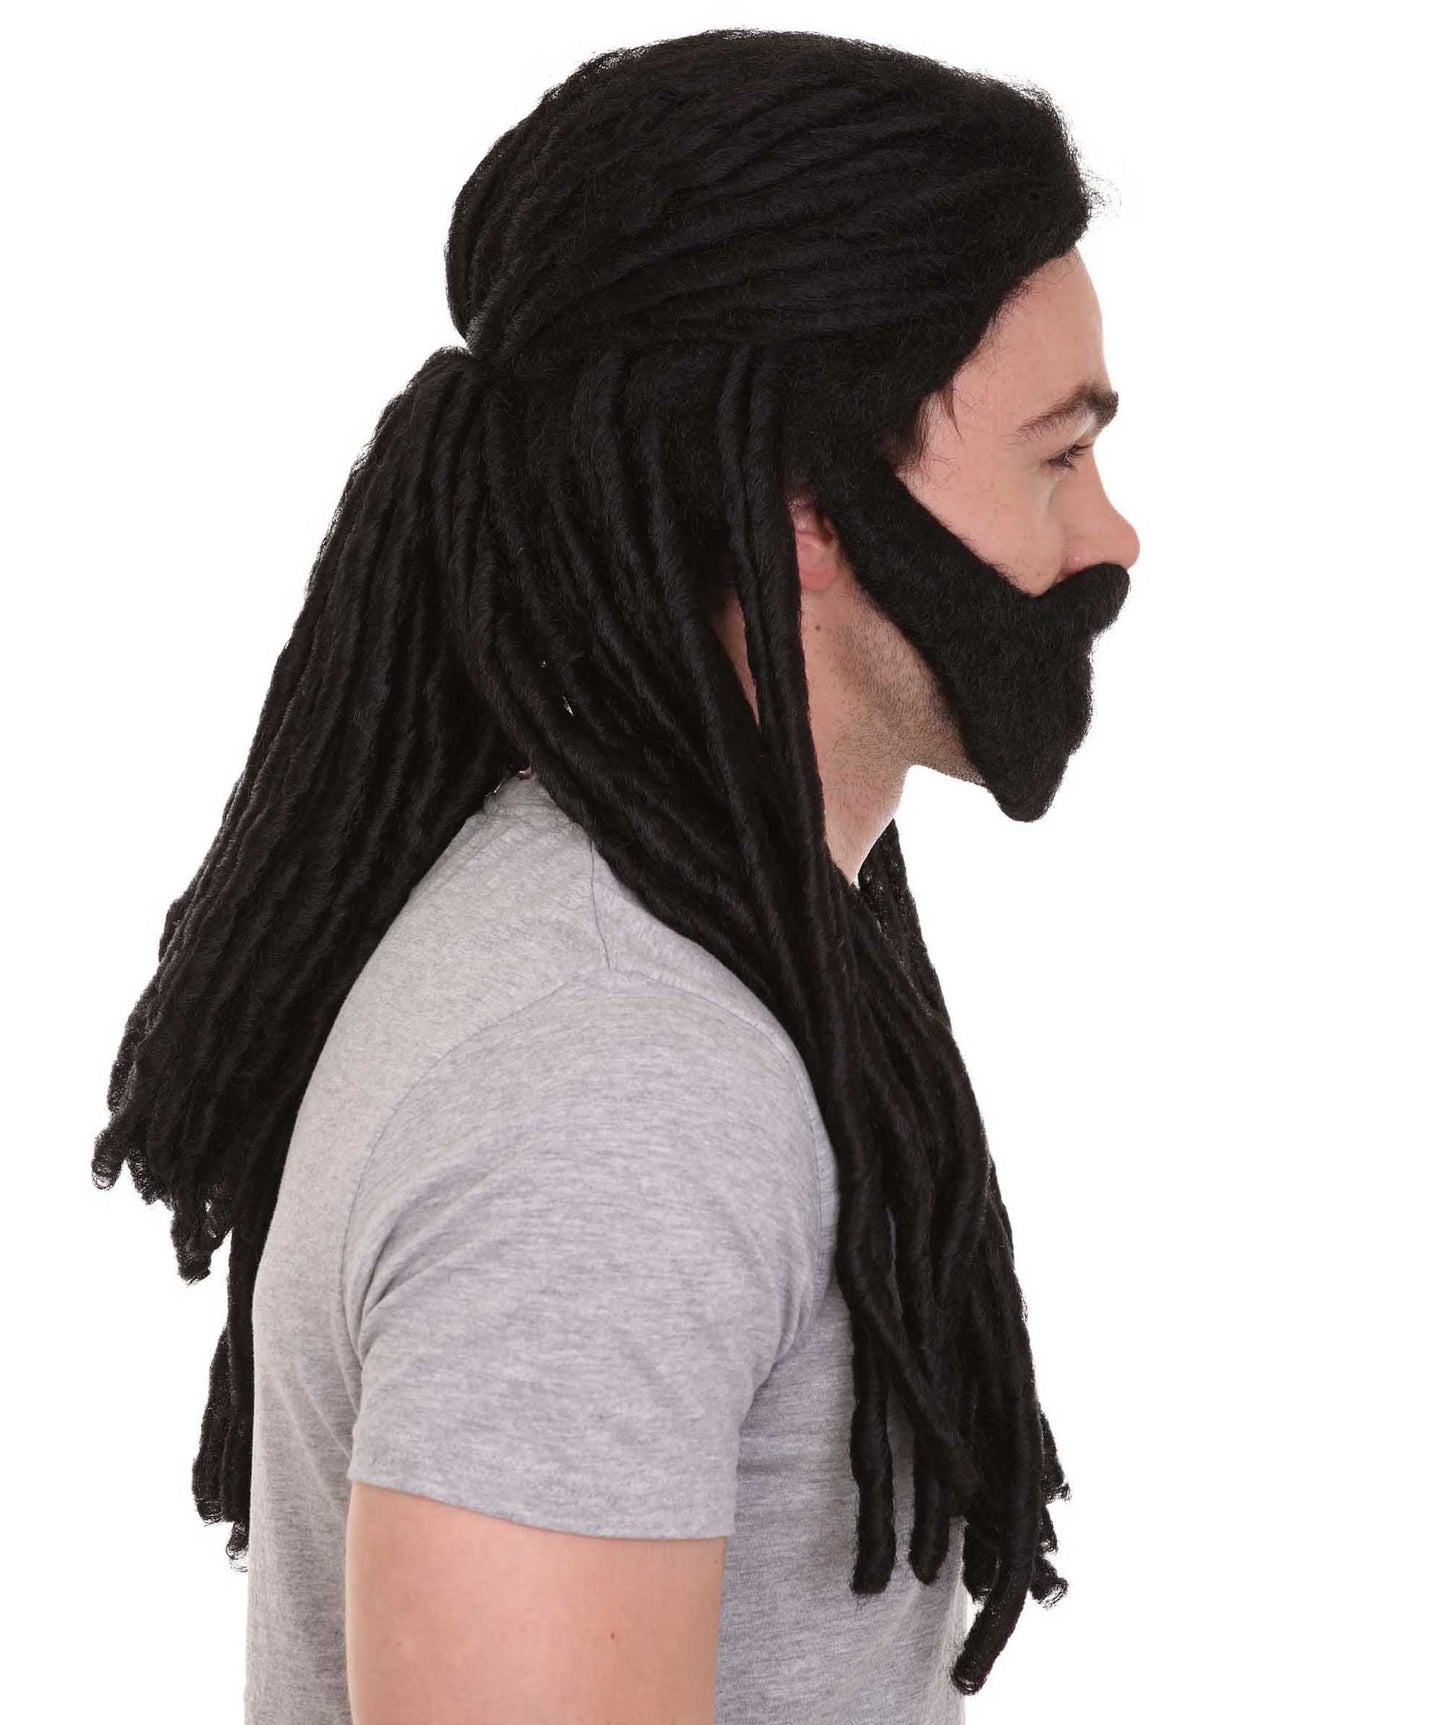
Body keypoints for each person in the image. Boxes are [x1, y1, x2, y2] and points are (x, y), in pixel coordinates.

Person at [91, 28, 1139, 1724]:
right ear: (809, 502)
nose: (1108, 537)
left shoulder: (689, 952)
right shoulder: (610, 1086)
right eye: (1055, 456)